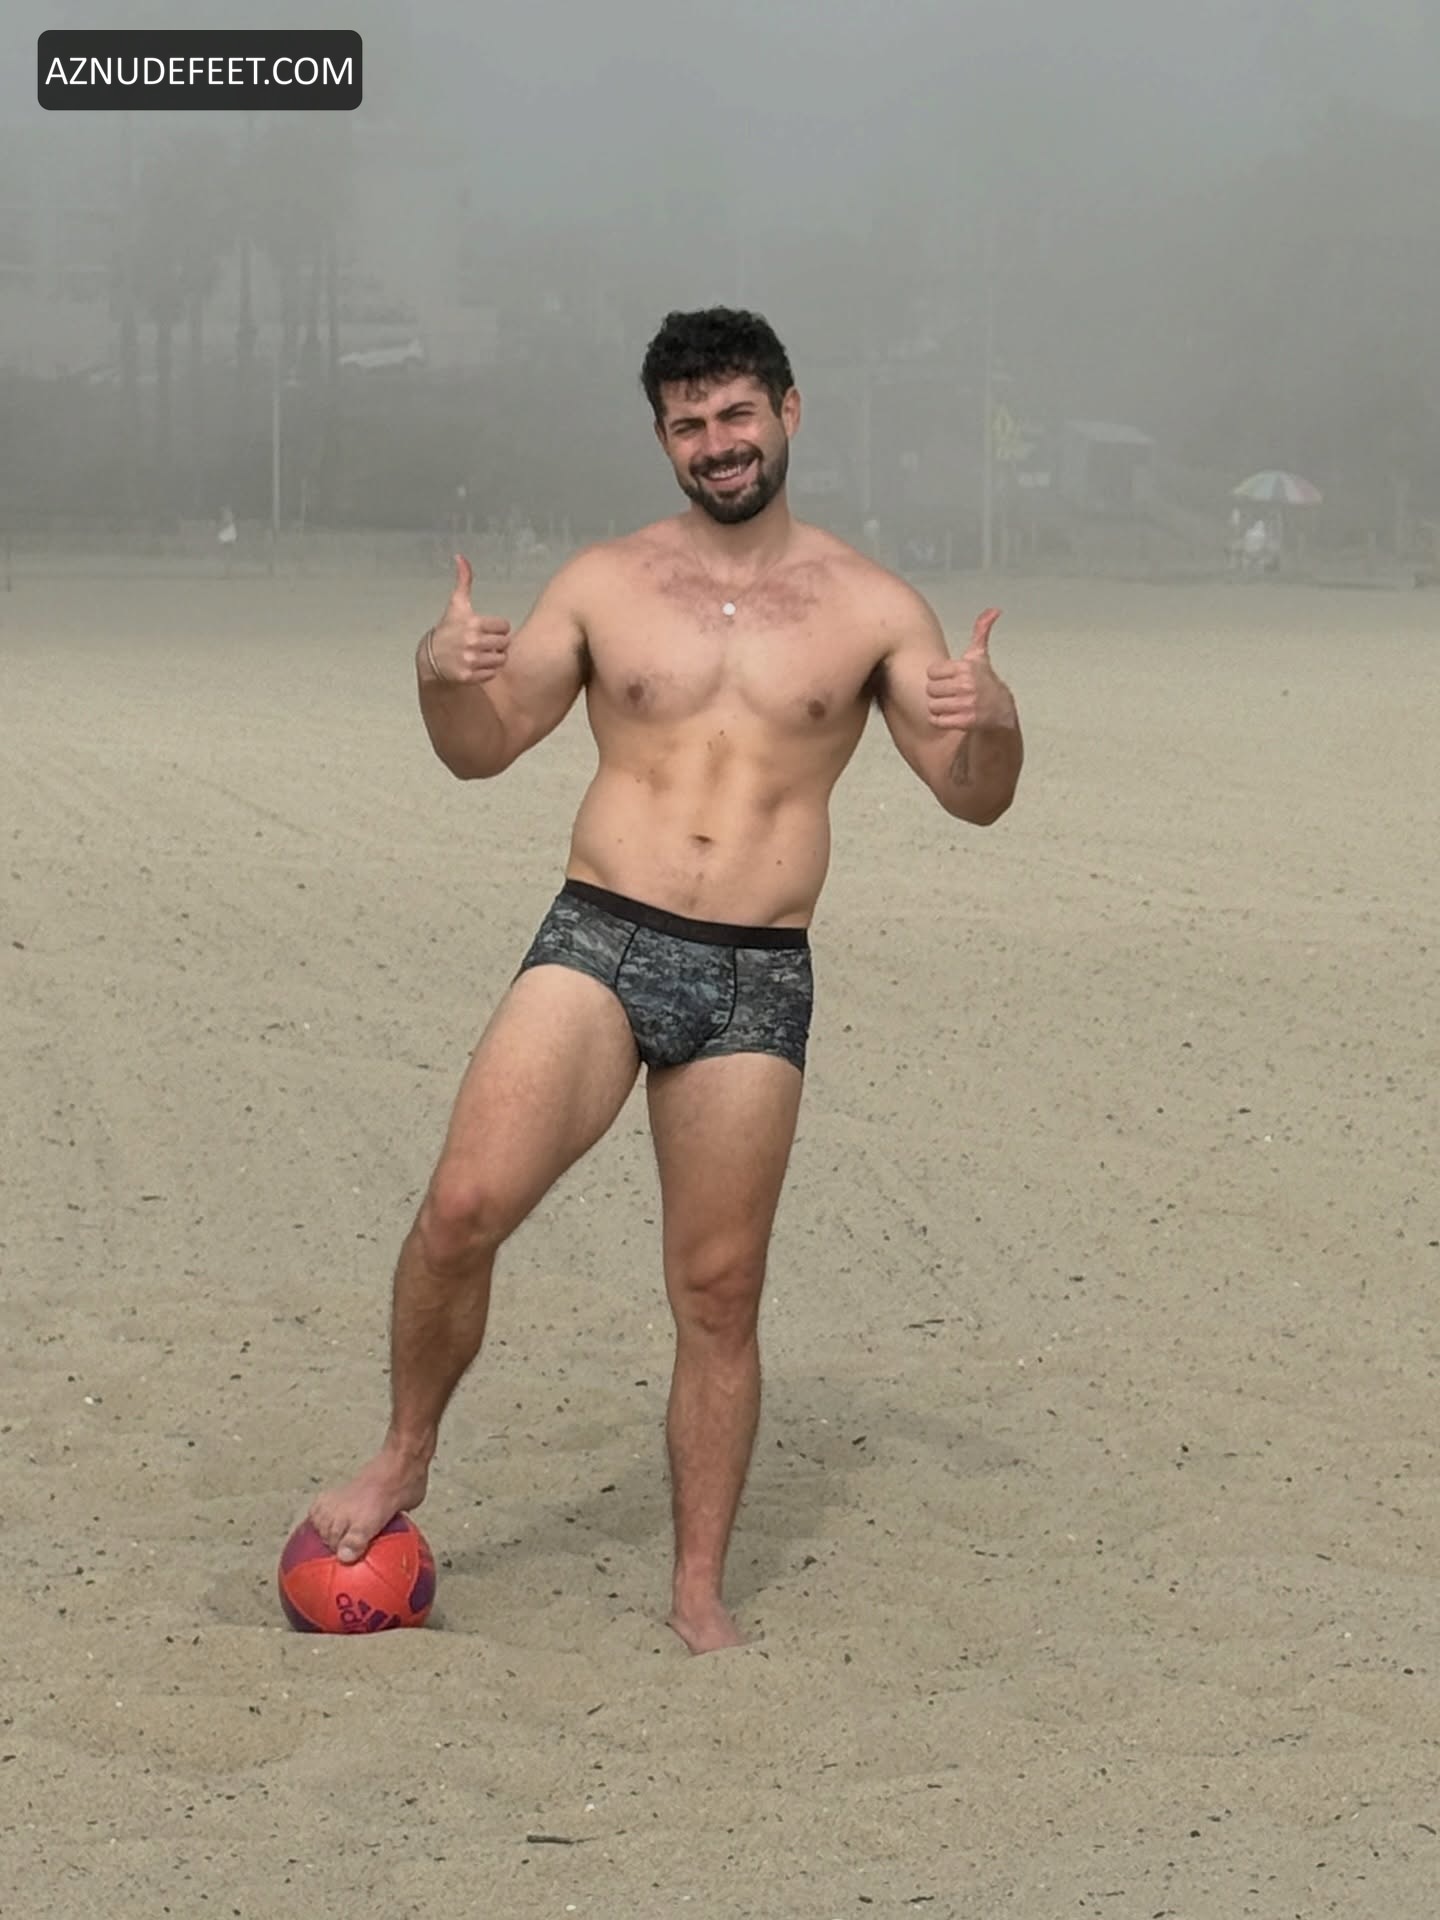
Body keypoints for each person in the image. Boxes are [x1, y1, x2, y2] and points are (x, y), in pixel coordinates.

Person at [307, 307, 1025, 1653]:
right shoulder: (605, 583)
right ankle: (404, 1453)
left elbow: (973, 796)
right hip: (602, 938)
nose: (717, 442)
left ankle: (698, 1587)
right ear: (663, 439)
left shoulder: (873, 607)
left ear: (789, 413)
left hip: (756, 975)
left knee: (717, 1292)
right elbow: (480, 747)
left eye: (737, 413)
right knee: (461, 1207)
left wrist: (995, 722)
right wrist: (436, 677)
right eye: (689, 423)